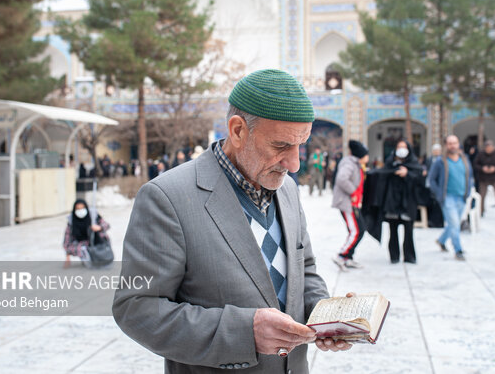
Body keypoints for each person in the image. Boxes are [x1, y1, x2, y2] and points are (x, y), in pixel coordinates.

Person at [113, 69, 352, 374]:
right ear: (238, 131)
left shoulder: (287, 189)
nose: (294, 164)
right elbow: (136, 308)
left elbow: (303, 269)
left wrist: (324, 316)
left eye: (300, 146)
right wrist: (243, 332)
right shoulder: (167, 198)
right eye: (281, 146)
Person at [428, 135, 474, 261]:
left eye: (454, 143)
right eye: (449, 143)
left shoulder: (465, 160)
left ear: (458, 144)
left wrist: (468, 191)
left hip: (461, 197)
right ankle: (458, 250)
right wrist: (439, 194)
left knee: (454, 224)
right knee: (454, 224)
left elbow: (469, 176)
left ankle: (441, 241)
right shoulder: (440, 162)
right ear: (446, 145)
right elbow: (431, 180)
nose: (452, 145)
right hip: (448, 198)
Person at [382, 139, 423, 264]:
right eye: (399, 147)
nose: (401, 149)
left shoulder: (414, 164)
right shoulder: (389, 163)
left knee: (409, 231)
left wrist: (407, 174)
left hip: (408, 203)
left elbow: (419, 179)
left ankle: (409, 256)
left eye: (404, 147)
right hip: (393, 203)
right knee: (393, 231)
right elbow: (382, 177)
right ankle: (394, 256)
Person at [331, 140, 369, 270]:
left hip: (353, 203)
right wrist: (352, 191)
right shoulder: (349, 163)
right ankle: (342, 255)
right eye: (366, 155)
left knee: (357, 229)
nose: (367, 158)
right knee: (357, 230)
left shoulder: (356, 164)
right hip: (346, 203)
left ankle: (348, 258)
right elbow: (342, 178)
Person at [63, 199, 110, 268]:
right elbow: (67, 240)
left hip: (96, 242)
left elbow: (106, 225)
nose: (80, 211)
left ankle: (101, 257)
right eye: (78, 209)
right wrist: (67, 257)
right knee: (81, 249)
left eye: (82, 208)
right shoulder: (72, 221)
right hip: (82, 245)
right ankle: (87, 257)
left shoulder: (93, 216)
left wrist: (99, 227)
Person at [473, 140, 495, 219]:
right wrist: (482, 168)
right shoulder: (480, 154)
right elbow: (475, 164)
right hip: (484, 178)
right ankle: (481, 211)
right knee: (482, 196)